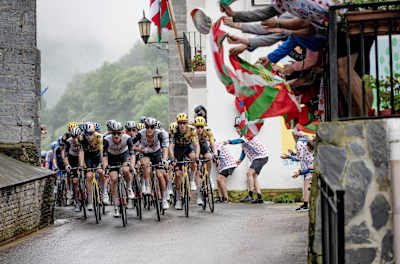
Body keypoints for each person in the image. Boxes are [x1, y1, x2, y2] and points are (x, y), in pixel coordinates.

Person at [224, 117, 269, 204]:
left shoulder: (248, 135)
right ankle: (259, 197)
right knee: (254, 176)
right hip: (259, 157)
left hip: (261, 156)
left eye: (239, 128)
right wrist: (240, 160)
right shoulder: (243, 139)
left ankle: (250, 195)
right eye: (236, 128)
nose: (237, 130)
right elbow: (244, 151)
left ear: (243, 128)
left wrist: (229, 141)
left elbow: (238, 141)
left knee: (249, 172)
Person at [131, 117, 170, 210]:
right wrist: (141, 150)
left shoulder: (159, 134)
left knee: (160, 175)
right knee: (145, 163)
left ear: (155, 128)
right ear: (145, 127)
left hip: (157, 154)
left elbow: (164, 148)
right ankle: (147, 186)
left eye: (152, 127)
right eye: (147, 127)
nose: (149, 129)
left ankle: (164, 199)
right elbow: (131, 146)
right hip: (146, 153)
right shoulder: (141, 134)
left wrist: (164, 160)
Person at [102, 121, 136, 218]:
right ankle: (116, 207)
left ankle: (129, 188)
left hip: (123, 156)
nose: (116, 135)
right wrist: (105, 167)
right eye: (114, 133)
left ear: (122, 132)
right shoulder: (106, 140)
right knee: (113, 179)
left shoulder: (128, 138)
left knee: (126, 170)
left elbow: (132, 154)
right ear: (110, 133)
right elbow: (104, 156)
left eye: (118, 133)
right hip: (111, 157)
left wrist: (132, 166)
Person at [169, 113, 200, 210]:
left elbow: (196, 145)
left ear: (187, 123)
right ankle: (178, 199)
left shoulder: (192, 129)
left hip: (187, 147)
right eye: (180, 123)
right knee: (178, 175)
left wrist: (198, 156)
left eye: (184, 123)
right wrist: (172, 157)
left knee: (193, 158)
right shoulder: (175, 130)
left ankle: (191, 180)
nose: (182, 125)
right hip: (178, 150)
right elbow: (171, 146)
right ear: (178, 123)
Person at [281, 128, 313, 211]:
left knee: (307, 184)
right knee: (307, 184)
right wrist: (292, 153)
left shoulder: (299, 143)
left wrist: (288, 157)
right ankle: (306, 204)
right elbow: (303, 154)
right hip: (310, 163)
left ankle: (306, 205)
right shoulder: (306, 139)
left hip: (310, 165)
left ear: (295, 135)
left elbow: (299, 157)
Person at [78, 123, 106, 210]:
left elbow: (102, 152)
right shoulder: (81, 138)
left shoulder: (99, 137)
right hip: (88, 157)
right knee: (88, 176)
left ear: (94, 133)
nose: (88, 136)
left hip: (97, 156)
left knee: (100, 172)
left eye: (90, 134)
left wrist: (100, 164)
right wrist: (81, 166)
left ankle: (103, 192)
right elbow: (81, 152)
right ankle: (90, 201)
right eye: (86, 134)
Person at [194, 116, 218, 206]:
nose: (199, 129)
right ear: (195, 127)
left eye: (201, 127)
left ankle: (208, 176)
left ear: (204, 126)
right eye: (197, 127)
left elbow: (212, 144)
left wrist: (215, 154)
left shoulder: (208, 131)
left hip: (203, 145)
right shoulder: (192, 132)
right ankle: (199, 196)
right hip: (195, 146)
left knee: (209, 156)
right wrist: (197, 157)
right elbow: (195, 147)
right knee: (197, 168)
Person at [63, 127, 82, 212]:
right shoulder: (68, 142)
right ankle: (77, 200)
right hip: (72, 160)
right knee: (75, 181)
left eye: (77, 136)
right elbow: (66, 156)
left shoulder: (82, 140)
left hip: (82, 159)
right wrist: (67, 165)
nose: (75, 139)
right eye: (73, 137)